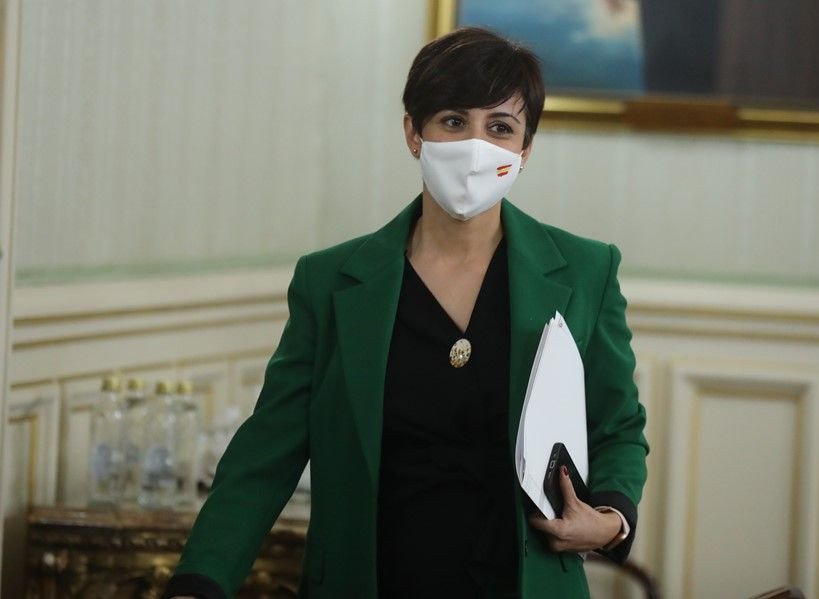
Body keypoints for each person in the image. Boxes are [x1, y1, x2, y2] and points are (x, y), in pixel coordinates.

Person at [163, 27, 648, 599]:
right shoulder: (330, 281)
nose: (475, 145)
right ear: (414, 134)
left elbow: (618, 426)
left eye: (500, 127)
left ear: (525, 150)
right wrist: (200, 581)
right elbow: (264, 456)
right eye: (453, 121)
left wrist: (610, 519)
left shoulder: (586, 270)